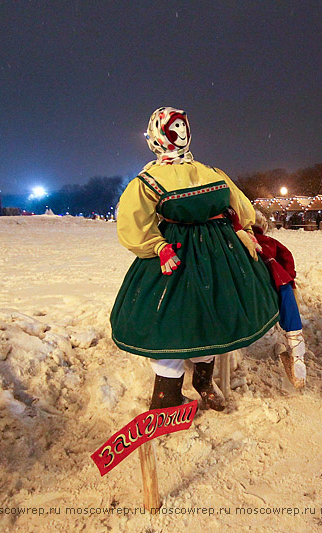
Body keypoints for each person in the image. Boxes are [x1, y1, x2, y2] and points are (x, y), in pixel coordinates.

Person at [110, 107, 280, 412]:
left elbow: (237, 202)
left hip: (220, 253)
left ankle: (204, 382)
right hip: (178, 254)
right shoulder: (149, 180)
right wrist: (157, 247)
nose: (182, 133)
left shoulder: (210, 172)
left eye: (184, 126)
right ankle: (166, 396)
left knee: (215, 313)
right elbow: (134, 222)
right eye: (174, 127)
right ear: (159, 135)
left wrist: (247, 227)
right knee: (169, 321)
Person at [227, 208, 309, 388]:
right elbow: (287, 260)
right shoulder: (269, 242)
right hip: (276, 283)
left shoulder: (232, 240)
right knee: (285, 294)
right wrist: (289, 275)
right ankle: (297, 351)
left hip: (243, 289)